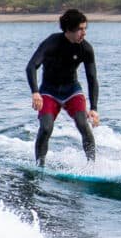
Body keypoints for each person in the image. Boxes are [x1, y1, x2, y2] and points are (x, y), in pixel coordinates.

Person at [25, 9, 100, 166]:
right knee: (46, 128)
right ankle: (40, 165)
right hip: (48, 92)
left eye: (85, 28)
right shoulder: (52, 43)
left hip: (72, 91)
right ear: (68, 29)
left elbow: (92, 78)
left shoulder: (85, 48)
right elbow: (31, 66)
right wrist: (35, 92)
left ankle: (92, 166)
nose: (84, 33)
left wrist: (94, 108)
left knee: (82, 124)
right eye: (80, 29)